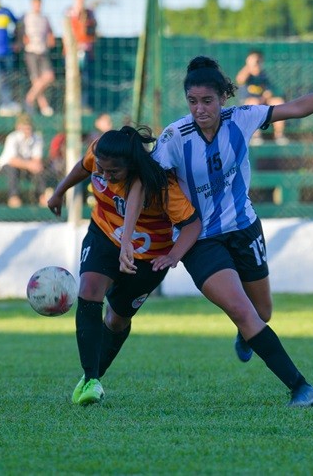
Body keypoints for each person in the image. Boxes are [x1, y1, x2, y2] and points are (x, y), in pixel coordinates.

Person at [136, 55, 313, 407]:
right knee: (243, 309)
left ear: (224, 98)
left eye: (207, 101)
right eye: (193, 101)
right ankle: (300, 387)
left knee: (261, 312)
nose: (200, 109)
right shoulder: (175, 136)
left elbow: (297, 108)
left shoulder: (243, 118)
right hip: (199, 240)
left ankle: (247, 334)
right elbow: (146, 182)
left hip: (244, 228)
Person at [46, 126, 201, 405]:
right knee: (89, 290)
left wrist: (174, 255)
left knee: (117, 321)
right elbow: (83, 168)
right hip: (104, 235)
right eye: (102, 171)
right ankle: (91, 378)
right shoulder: (100, 153)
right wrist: (59, 192)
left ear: (130, 165)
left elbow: (192, 224)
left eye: (113, 173)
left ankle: (93, 376)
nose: (105, 176)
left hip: (149, 258)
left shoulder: (161, 185)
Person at [235, 50, 288, 145]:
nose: (257, 64)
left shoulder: (263, 75)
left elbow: (269, 91)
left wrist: (265, 97)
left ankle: (279, 135)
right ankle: (255, 136)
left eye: (259, 61)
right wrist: (250, 65)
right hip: (249, 104)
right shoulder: (247, 74)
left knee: (278, 102)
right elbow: (240, 79)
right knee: (253, 103)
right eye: (255, 61)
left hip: (263, 102)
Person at [0, 113, 47, 208]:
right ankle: (13, 198)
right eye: (25, 127)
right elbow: (12, 160)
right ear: (19, 127)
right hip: (7, 166)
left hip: (26, 167)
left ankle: (43, 197)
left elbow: (37, 159)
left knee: (40, 169)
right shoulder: (12, 137)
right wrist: (30, 165)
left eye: (29, 127)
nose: (27, 130)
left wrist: (34, 165)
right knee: (12, 169)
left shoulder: (37, 138)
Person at [22, 0, 56, 117]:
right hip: (31, 51)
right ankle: (44, 106)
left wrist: (50, 39)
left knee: (48, 77)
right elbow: (20, 31)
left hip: (43, 51)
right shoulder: (26, 17)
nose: (37, 6)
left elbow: (50, 32)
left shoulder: (45, 18)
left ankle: (29, 98)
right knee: (36, 80)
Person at [65, 0, 97, 113]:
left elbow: (92, 32)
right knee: (72, 80)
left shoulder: (89, 13)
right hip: (72, 53)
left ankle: (84, 106)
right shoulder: (69, 12)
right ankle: (72, 107)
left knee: (85, 80)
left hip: (86, 51)